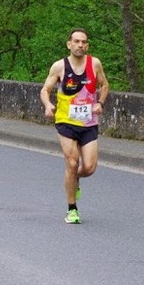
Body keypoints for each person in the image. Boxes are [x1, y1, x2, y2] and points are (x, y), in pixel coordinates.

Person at [39, 29, 110, 225]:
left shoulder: (94, 64)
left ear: (87, 45)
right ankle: (72, 209)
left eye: (84, 42)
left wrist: (100, 103)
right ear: (69, 44)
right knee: (72, 162)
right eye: (76, 41)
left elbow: (105, 85)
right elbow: (45, 90)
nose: (80, 45)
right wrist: (48, 105)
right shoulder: (59, 66)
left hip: (88, 123)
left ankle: (73, 179)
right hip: (65, 121)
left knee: (88, 167)